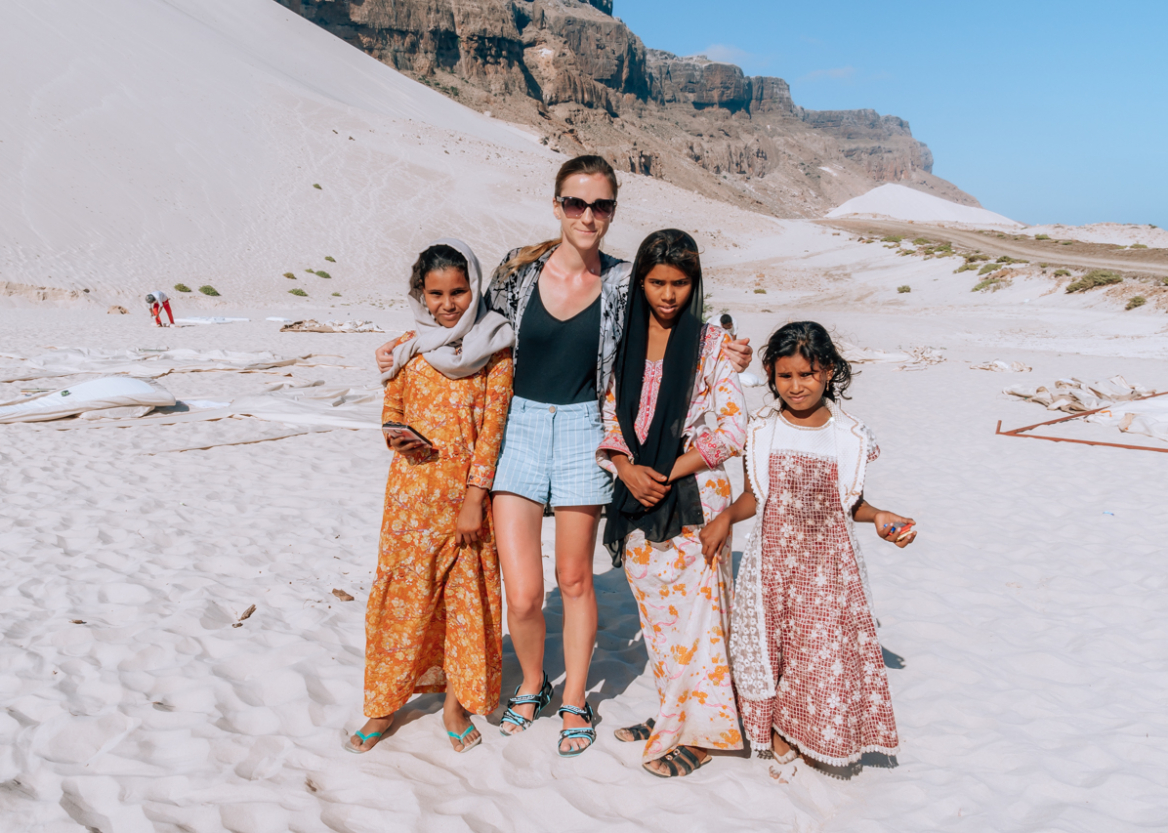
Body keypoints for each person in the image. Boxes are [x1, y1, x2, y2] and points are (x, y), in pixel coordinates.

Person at [374, 156, 754, 757]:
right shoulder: (517, 274)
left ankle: (575, 695)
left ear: (612, 211)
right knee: (523, 594)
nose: (588, 216)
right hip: (517, 428)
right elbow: (463, 323)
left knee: (574, 578)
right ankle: (532, 683)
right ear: (557, 206)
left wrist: (729, 349)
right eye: (576, 204)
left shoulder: (628, 281)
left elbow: (676, 316)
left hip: (584, 431)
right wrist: (404, 345)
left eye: (600, 206)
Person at [701, 321, 917, 782]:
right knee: (772, 649)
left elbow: (850, 504)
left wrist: (880, 517)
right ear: (770, 375)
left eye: (807, 375)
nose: (796, 387)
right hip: (772, 562)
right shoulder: (762, 430)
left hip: (829, 567)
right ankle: (778, 727)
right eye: (785, 377)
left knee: (818, 653)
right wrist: (724, 518)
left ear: (829, 372)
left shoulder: (849, 436)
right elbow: (755, 496)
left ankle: (811, 733)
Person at [345, 239, 515, 755]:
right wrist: (394, 430)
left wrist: (473, 497)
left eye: (459, 292)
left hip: (467, 501)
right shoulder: (406, 346)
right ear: (421, 294)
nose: (448, 304)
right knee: (403, 600)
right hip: (410, 500)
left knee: (465, 602)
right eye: (436, 293)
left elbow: (493, 431)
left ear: (475, 288)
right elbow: (392, 402)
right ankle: (382, 706)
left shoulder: (495, 345)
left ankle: (455, 705)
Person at [597, 230, 747, 777]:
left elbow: (735, 429)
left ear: (694, 283)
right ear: (640, 282)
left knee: (700, 621)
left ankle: (704, 736)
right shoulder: (624, 343)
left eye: (680, 283)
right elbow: (608, 413)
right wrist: (625, 468)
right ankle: (672, 712)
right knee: (658, 615)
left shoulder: (709, 345)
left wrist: (667, 469)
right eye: (657, 282)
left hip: (694, 497)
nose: (668, 295)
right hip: (635, 494)